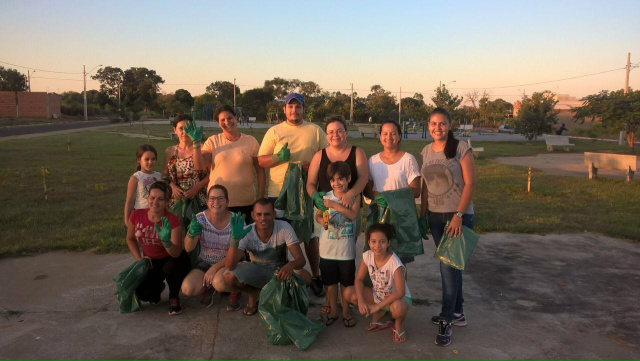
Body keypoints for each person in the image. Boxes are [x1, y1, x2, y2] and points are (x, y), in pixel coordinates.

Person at [257, 92, 329, 297]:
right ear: (284, 109)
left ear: (304, 109)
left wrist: (313, 165)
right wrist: (277, 157)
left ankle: (316, 276)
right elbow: (261, 161)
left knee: (309, 237)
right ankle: (278, 275)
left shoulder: (314, 131)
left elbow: (327, 157)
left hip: (307, 192)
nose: (294, 110)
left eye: (298, 107)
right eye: (290, 106)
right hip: (278, 193)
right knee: (278, 236)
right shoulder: (274, 132)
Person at [420, 107, 476, 347]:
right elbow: (425, 185)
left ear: (450, 125)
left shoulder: (461, 148)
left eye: (442, 123)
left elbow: (471, 183)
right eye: (433, 123)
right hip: (435, 216)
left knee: (446, 267)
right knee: (453, 267)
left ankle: (446, 318)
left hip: (457, 218)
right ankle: (458, 313)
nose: (437, 128)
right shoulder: (425, 151)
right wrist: (423, 214)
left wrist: (458, 215)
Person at [216, 199, 311, 316]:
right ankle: (254, 293)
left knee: (305, 277)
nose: (263, 218)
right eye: (259, 214)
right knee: (228, 277)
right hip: (256, 270)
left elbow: (301, 260)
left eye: (267, 214)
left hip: (279, 272)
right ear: (252, 215)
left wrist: (290, 265)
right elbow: (230, 266)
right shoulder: (247, 231)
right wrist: (234, 240)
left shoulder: (284, 227)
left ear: (274, 215)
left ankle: (276, 297)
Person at [187, 105, 265, 220]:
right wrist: (196, 143)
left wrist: (260, 198)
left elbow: (260, 172)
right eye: (222, 120)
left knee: (243, 236)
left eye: (230, 118)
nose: (227, 122)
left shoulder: (251, 141)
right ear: (218, 123)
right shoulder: (212, 141)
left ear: (236, 118)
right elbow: (200, 166)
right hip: (218, 203)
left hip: (245, 202)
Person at [126, 181, 190, 315]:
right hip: (151, 261)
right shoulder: (136, 215)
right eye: (152, 198)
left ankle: (174, 296)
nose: (155, 202)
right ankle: (158, 287)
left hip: (172, 258)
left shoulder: (172, 220)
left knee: (172, 267)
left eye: (160, 199)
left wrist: (166, 241)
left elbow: (176, 252)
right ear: (147, 198)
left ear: (167, 202)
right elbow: (130, 239)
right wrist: (139, 260)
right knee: (144, 294)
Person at [363, 120, 423, 264]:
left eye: (393, 133)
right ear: (380, 136)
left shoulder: (408, 159)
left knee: (399, 261)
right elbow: (367, 190)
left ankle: (401, 287)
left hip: (401, 217)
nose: (388, 137)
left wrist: (389, 197)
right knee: (379, 259)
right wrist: (378, 197)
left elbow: (416, 191)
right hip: (380, 216)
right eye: (385, 133)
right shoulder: (373, 161)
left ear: (400, 136)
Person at [343, 223, 411, 343]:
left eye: (382, 241)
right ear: (368, 242)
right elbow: (358, 280)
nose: (377, 246)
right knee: (349, 293)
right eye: (373, 241)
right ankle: (381, 315)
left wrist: (376, 306)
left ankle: (399, 324)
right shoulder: (367, 256)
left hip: (398, 299)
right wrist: (361, 300)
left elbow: (400, 292)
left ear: (389, 242)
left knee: (397, 308)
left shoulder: (395, 262)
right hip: (378, 295)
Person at [313, 161, 361, 327]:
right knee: (330, 284)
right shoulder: (326, 196)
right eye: (333, 180)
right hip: (327, 250)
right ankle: (333, 310)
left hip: (346, 252)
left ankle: (346, 311)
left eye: (341, 179)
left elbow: (353, 215)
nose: (337, 183)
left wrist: (334, 205)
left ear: (348, 179)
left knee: (346, 285)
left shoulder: (354, 197)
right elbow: (318, 215)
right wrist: (322, 221)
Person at [180, 185, 241, 310]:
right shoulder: (200, 218)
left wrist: (214, 268)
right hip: (205, 262)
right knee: (187, 288)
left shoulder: (236, 220)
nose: (216, 202)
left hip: (229, 263)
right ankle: (209, 287)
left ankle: (235, 289)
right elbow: (188, 248)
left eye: (220, 198)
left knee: (219, 283)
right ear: (207, 202)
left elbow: (238, 254)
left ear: (227, 202)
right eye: (212, 198)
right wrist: (191, 234)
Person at [162, 114, 209, 226]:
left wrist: (196, 188)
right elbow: (165, 175)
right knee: (177, 231)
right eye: (181, 128)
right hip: (177, 200)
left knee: (196, 232)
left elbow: (210, 174)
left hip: (198, 199)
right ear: (175, 130)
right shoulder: (170, 151)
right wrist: (172, 187)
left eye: (188, 128)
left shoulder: (202, 148)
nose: (184, 132)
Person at [124, 144, 162, 227]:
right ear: (139, 159)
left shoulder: (159, 176)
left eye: (153, 159)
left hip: (157, 215)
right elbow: (129, 201)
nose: (150, 162)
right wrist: (127, 220)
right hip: (141, 214)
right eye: (146, 159)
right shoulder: (136, 177)